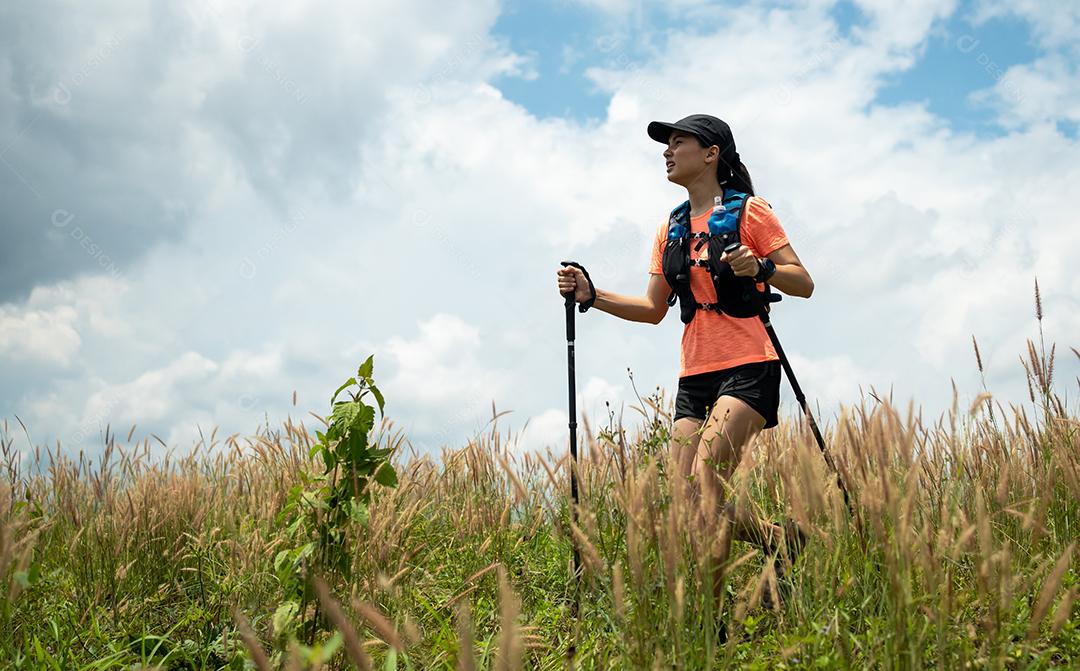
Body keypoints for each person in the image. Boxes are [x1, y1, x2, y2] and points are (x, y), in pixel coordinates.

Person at [555, 114, 813, 610]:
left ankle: (711, 619)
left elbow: (802, 280)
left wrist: (760, 268)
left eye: (679, 143)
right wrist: (592, 295)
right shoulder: (671, 228)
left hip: (750, 362)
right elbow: (653, 310)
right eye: (666, 145)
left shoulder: (751, 213)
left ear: (712, 153)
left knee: (706, 474)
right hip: (695, 373)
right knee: (688, 495)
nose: (667, 152)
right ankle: (780, 539)